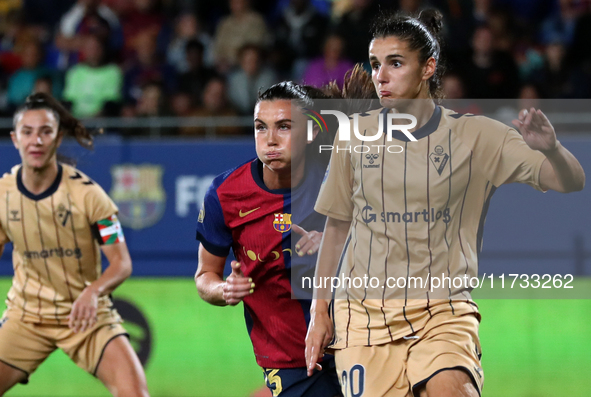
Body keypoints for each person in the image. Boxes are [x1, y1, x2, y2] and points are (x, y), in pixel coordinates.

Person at [305, 9, 585, 397]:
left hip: (443, 311)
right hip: (363, 320)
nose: (380, 76)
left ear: (428, 67)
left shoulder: (478, 136)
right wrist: (320, 312)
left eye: (395, 63)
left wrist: (552, 150)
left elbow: (570, 180)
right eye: (374, 64)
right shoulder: (353, 136)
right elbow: (336, 229)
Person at [195, 81, 344, 396]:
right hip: (289, 359)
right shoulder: (225, 194)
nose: (271, 140)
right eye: (261, 128)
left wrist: (336, 242)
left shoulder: (340, 178)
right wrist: (224, 288)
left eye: (284, 127)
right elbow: (205, 276)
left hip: (357, 342)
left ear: (311, 133)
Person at [0, 93, 150, 397]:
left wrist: (93, 292)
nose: (36, 141)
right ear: (15, 139)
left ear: (58, 138)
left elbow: (122, 264)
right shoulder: (2, 195)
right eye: (27, 133)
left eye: (45, 132)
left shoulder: (89, 196)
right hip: (27, 316)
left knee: (135, 394)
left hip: (85, 316)